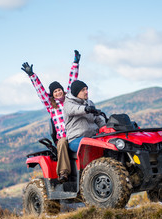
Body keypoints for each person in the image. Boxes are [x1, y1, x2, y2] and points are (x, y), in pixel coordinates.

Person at [21, 50, 81, 182]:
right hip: (64, 137)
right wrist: (32, 75)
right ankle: (63, 173)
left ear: (63, 91)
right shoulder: (51, 107)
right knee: (62, 143)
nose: (58, 92)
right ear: (52, 95)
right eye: (55, 91)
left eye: (59, 89)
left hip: (76, 133)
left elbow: (73, 80)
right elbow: (40, 91)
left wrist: (75, 63)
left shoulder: (69, 100)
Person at [63, 80, 106, 152]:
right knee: (92, 147)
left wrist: (106, 128)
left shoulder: (89, 103)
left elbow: (97, 119)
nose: (86, 92)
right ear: (76, 93)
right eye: (83, 90)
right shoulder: (68, 104)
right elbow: (74, 109)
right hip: (76, 139)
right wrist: (86, 109)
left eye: (86, 89)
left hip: (93, 137)